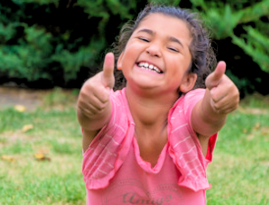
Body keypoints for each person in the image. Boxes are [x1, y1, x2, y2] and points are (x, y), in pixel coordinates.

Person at [77, 4, 239, 205]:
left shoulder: (189, 112)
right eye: (144, 39)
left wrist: (216, 106)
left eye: (172, 48)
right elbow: (93, 116)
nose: (153, 50)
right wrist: (89, 103)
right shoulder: (107, 106)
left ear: (187, 80)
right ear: (122, 58)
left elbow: (206, 117)